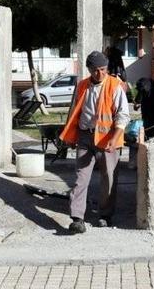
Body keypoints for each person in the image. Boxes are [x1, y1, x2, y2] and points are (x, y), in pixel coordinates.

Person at [59, 51, 130, 234]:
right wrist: (70, 137)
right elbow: (75, 111)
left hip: (108, 139)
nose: (100, 74)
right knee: (81, 177)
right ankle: (77, 218)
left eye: (103, 69)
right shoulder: (82, 85)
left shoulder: (115, 86)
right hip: (85, 137)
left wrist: (114, 140)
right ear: (89, 70)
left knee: (109, 178)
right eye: (95, 70)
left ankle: (105, 214)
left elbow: (123, 115)